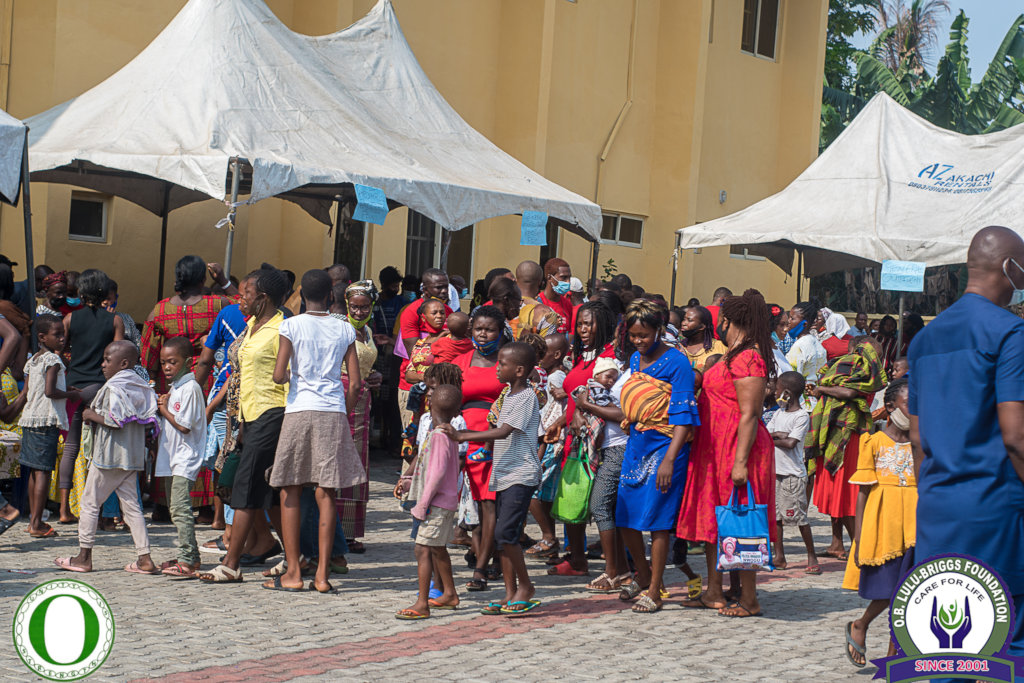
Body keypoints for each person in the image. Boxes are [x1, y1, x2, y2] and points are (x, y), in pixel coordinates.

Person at [908, 226, 1024, 672]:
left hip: (939, 511)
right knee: (1005, 647)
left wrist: (933, 494)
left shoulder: (924, 340)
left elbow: (918, 438)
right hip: (996, 511)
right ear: (1010, 268)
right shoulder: (1011, 333)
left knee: (948, 649)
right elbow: (1015, 435)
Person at [263, 269, 365, 594]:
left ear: (303, 295)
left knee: (289, 488)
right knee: (326, 492)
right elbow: (357, 382)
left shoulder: (290, 325)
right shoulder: (345, 328)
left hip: (298, 410)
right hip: (332, 410)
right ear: (332, 296)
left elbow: (279, 375)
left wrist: (294, 373)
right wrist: (343, 410)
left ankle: (293, 572)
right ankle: (322, 575)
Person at [678, 289, 776, 618]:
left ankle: (749, 599)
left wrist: (740, 463)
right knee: (715, 521)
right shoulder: (734, 354)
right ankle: (715, 590)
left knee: (740, 521)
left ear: (727, 321)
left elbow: (749, 413)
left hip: (737, 448)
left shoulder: (749, 357)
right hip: (715, 448)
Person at [200, 269, 290, 583]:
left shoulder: (283, 328)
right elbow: (237, 373)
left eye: (245, 294)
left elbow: (292, 373)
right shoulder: (252, 324)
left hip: (273, 413)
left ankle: (231, 564)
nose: (241, 299)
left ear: (262, 298)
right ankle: (295, 557)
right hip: (246, 416)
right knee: (265, 488)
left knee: (246, 485)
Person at [444, 341, 543, 616]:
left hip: (520, 474)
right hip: (503, 473)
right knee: (503, 538)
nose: (497, 368)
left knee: (506, 533)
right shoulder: (509, 395)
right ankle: (510, 593)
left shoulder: (525, 397)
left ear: (520, 370)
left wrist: (463, 436)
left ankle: (526, 587)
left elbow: (503, 432)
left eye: (503, 364)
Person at [615, 299, 699, 613]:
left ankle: (655, 590)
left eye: (644, 335)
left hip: (666, 447)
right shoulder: (636, 359)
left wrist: (669, 460)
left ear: (659, 331)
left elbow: (682, 416)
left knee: (659, 521)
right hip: (637, 443)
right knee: (625, 517)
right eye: (633, 335)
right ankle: (645, 574)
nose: (638, 341)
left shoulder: (677, 362)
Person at [54, 341, 159, 574]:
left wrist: (91, 414)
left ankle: (83, 557)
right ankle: (145, 558)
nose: (102, 365)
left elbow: (115, 420)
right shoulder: (140, 386)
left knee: (90, 503)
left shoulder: (115, 388)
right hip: (131, 458)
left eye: (107, 360)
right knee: (132, 508)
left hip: (109, 457)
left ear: (123, 363)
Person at [842, 378, 915, 668]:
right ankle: (861, 624)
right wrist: (859, 539)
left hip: (914, 524)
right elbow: (862, 493)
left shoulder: (922, 443)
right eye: (909, 404)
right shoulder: (872, 442)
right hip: (882, 524)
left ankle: (893, 653)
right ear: (889, 407)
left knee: (909, 591)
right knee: (888, 589)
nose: (915, 409)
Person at [545, 300, 619, 576]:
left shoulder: (610, 357)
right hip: (574, 438)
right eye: (580, 324)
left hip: (601, 439)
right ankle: (577, 558)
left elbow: (598, 396)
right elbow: (575, 396)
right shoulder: (581, 354)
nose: (583, 329)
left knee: (601, 503)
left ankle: (617, 566)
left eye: (589, 324)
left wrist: (580, 415)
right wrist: (559, 422)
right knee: (572, 494)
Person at [806, 338, 888, 561]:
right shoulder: (852, 365)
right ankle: (836, 543)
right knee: (837, 489)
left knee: (847, 492)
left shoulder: (863, 370)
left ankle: (857, 545)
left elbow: (850, 394)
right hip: (836, 432)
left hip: (848, 435)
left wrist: (821, 388)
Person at [59, 269, 125, 524]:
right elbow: (118, 359)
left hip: (74, 389)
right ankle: (98, 512)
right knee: (100, 451)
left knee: (71, 448)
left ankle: (65, 510)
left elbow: (60, 350)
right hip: (100, 390)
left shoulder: (70, 320)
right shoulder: (115, 321)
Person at [396, 384, 463, 619]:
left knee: (422, 549)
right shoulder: (447, 432)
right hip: (443, 503)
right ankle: (450, 594)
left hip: (435, 504)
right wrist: (409, 480)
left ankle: (422, 602)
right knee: (437, 548)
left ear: (429, 404)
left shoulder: (439, 436)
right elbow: (428, 468)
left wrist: (422, 504)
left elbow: (436, 475)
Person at [453, 305, 508, 591]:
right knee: (468, 508)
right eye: (478, 329)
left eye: (489, 330)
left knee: (489, 506)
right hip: (462, 439)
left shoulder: (507, 361)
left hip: (495, 440)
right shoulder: (462, 361)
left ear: (500, 333)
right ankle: (489, 554)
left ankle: (481, 568)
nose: (483, 334)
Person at [18, 315, 79, 538]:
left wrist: (65, 388)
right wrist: (71, 394)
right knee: (43, 472)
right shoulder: (53, 361)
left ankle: (34, 520)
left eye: (63, 334)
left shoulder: (33, 360)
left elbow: (31, 391)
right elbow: (50, 392)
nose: (63, 339)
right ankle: (36, 523)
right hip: (46, 421)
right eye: (58, 335)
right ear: (43, 337)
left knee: (35, 472)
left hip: (29, 420)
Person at [332, 280, 382, 547]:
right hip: (343, 399)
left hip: (363, 402)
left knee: (358, 464)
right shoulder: (341, 330)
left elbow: (364, 365)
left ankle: (349, 532)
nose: (360, 313)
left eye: (364, 307)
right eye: (354, 307)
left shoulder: (369, 332)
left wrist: (374, 375)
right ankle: (334, 530)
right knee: (339, 462)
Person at [155, 336, 207, 579]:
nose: (167, 367)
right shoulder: (176, 388)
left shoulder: (191, 388)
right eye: (164, 362)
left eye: (172, 362)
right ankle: (191, 556)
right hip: (172, 457)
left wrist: (163, 409)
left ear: (188, 362)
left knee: (179, 508)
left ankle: (187, 560)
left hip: (185, 458)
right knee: (176, 508)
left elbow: (184, 426)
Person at [767, 371, 818, 574]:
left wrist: (775, 438)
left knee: (798, 517)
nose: (775, 392)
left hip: (792, 475)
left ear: (786, 393)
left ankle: (811, 555)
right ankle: (779, 556)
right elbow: (766, 432)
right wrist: (777, 435)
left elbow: (790, 443)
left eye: (778, 389)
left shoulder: (801, 416)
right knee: (777, 517)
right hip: (776, 472)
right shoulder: (779, 413)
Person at [527, 334, 569, 559]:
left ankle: (548, 536)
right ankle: (550, 540)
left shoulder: (557, 378)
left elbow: (559, 410)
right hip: (548, 439)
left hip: (551, 440)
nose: (539, 358)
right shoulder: (552, 376)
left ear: (557, 355)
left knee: (533, 490)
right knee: (543, 493)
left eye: (543, 353)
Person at [396, 268, 450, 430]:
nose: (444, 291)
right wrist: (444, 337)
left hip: (442, 386)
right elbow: (415, 352)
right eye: (438, 287)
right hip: (414, 386)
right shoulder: (412, 312)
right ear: (424, 289)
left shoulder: (447, 311)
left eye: (446, 287)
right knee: (413, 441)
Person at [514, 260, 561, 338]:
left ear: (515, 281)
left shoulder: (501, 306)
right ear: (541, 283)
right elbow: (547, 346)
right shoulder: (547, 313)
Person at [679, 306, 727, 372]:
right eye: (684, 319)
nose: (683, 323)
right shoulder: (679, 347)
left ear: (702, 326)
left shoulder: (720, 347)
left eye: (689, 320)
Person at [538, 258, 574, 335]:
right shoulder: (538, 303)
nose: (568, 282)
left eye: (569, 278)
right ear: (550, 278)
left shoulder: (568, 304)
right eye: (563, 277)